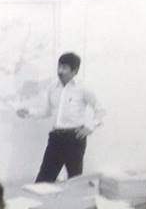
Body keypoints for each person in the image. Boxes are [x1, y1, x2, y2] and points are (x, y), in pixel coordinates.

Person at [15, 52, 104, 183]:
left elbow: (100, 110)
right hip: (56, 138)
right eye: (59, 66)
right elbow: (46, 111)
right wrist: (28, 112)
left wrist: (90, 127)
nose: (60, 71)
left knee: (74, 180)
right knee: (44, 179)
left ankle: (74, 203)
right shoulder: (52, 87)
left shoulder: (83, 88)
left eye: (64, 68)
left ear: (74, 70)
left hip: (75, 138)